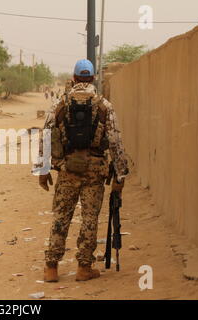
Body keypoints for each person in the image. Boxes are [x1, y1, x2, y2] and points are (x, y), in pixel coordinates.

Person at [38, 59, 129, 282]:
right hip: (95, 171)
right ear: (92, 78)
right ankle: (83, 267)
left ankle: (51, 267)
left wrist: (43, 168)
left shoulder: (59, 104)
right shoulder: (104, 106)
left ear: (74, 78)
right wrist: (120, 173)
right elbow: (115, 141)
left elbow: (46, 135)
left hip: (68, 169)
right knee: (89, 218)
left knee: (61, 217)